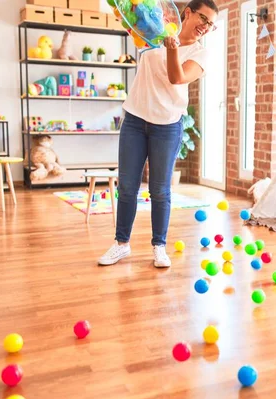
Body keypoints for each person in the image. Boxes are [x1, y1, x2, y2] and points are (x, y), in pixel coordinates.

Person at [98, 0, 219, 268]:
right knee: (127, 187)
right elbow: (133, 18)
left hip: (167, 124)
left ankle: (159, 246)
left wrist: (172, 47)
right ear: (187, 13)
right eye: (203, 19)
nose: (205, 27)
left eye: (211, 24)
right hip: (135, 119)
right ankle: (121, 244)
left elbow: (177, 78)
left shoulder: (200, 53)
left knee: (160, 191)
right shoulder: (157, 29)